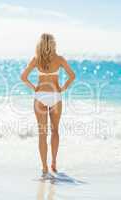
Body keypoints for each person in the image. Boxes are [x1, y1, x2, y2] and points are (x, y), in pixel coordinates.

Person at [20, 33, 75, 178]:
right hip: (56, 96)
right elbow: (72, 76)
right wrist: (63, 88)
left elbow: (23, 77)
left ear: (40, 44)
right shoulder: (59, 59)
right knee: (55, 131)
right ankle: (54, 163)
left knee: (42, 134)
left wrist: (34, 88)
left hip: (40, 97)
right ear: (53, 44)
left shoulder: (36, 59)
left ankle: (44, 167)